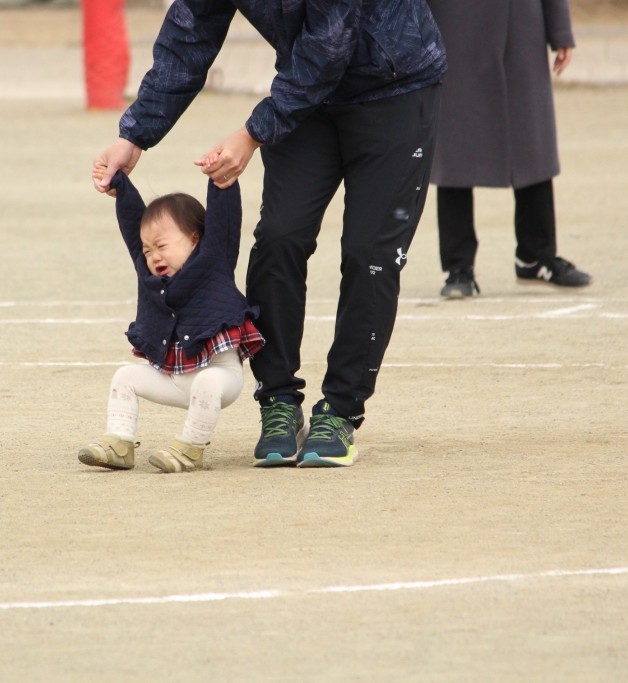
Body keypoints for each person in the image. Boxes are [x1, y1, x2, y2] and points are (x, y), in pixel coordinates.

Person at [92, 0, 447, 468]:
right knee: (280, 238)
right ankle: (278, 401)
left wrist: (253, 133)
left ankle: (340, 410)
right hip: (306, 96)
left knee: (369, 254)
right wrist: (134, 134)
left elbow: (330, 42)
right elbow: (190, 34)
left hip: (397, 87)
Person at [78, 172, 264, 474]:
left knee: (207, 381)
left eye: (162, 246)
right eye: (148, 250)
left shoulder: (214, 259)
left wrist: (221, 178)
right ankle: (119, 444)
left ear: (195, 239)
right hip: (174, 380)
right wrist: (121, 186)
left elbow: (224, 220)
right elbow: (131, 227)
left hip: (220, 378)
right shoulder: (151, 277)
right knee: (125, 376)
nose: (153, 256)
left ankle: (191, 449)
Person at [427, 0, 592, 298]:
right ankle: (458, 267)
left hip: (521, 26)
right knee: (455, 147)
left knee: (531, 142)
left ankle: (535, 257)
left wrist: (560, 30)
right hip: (453, 23)